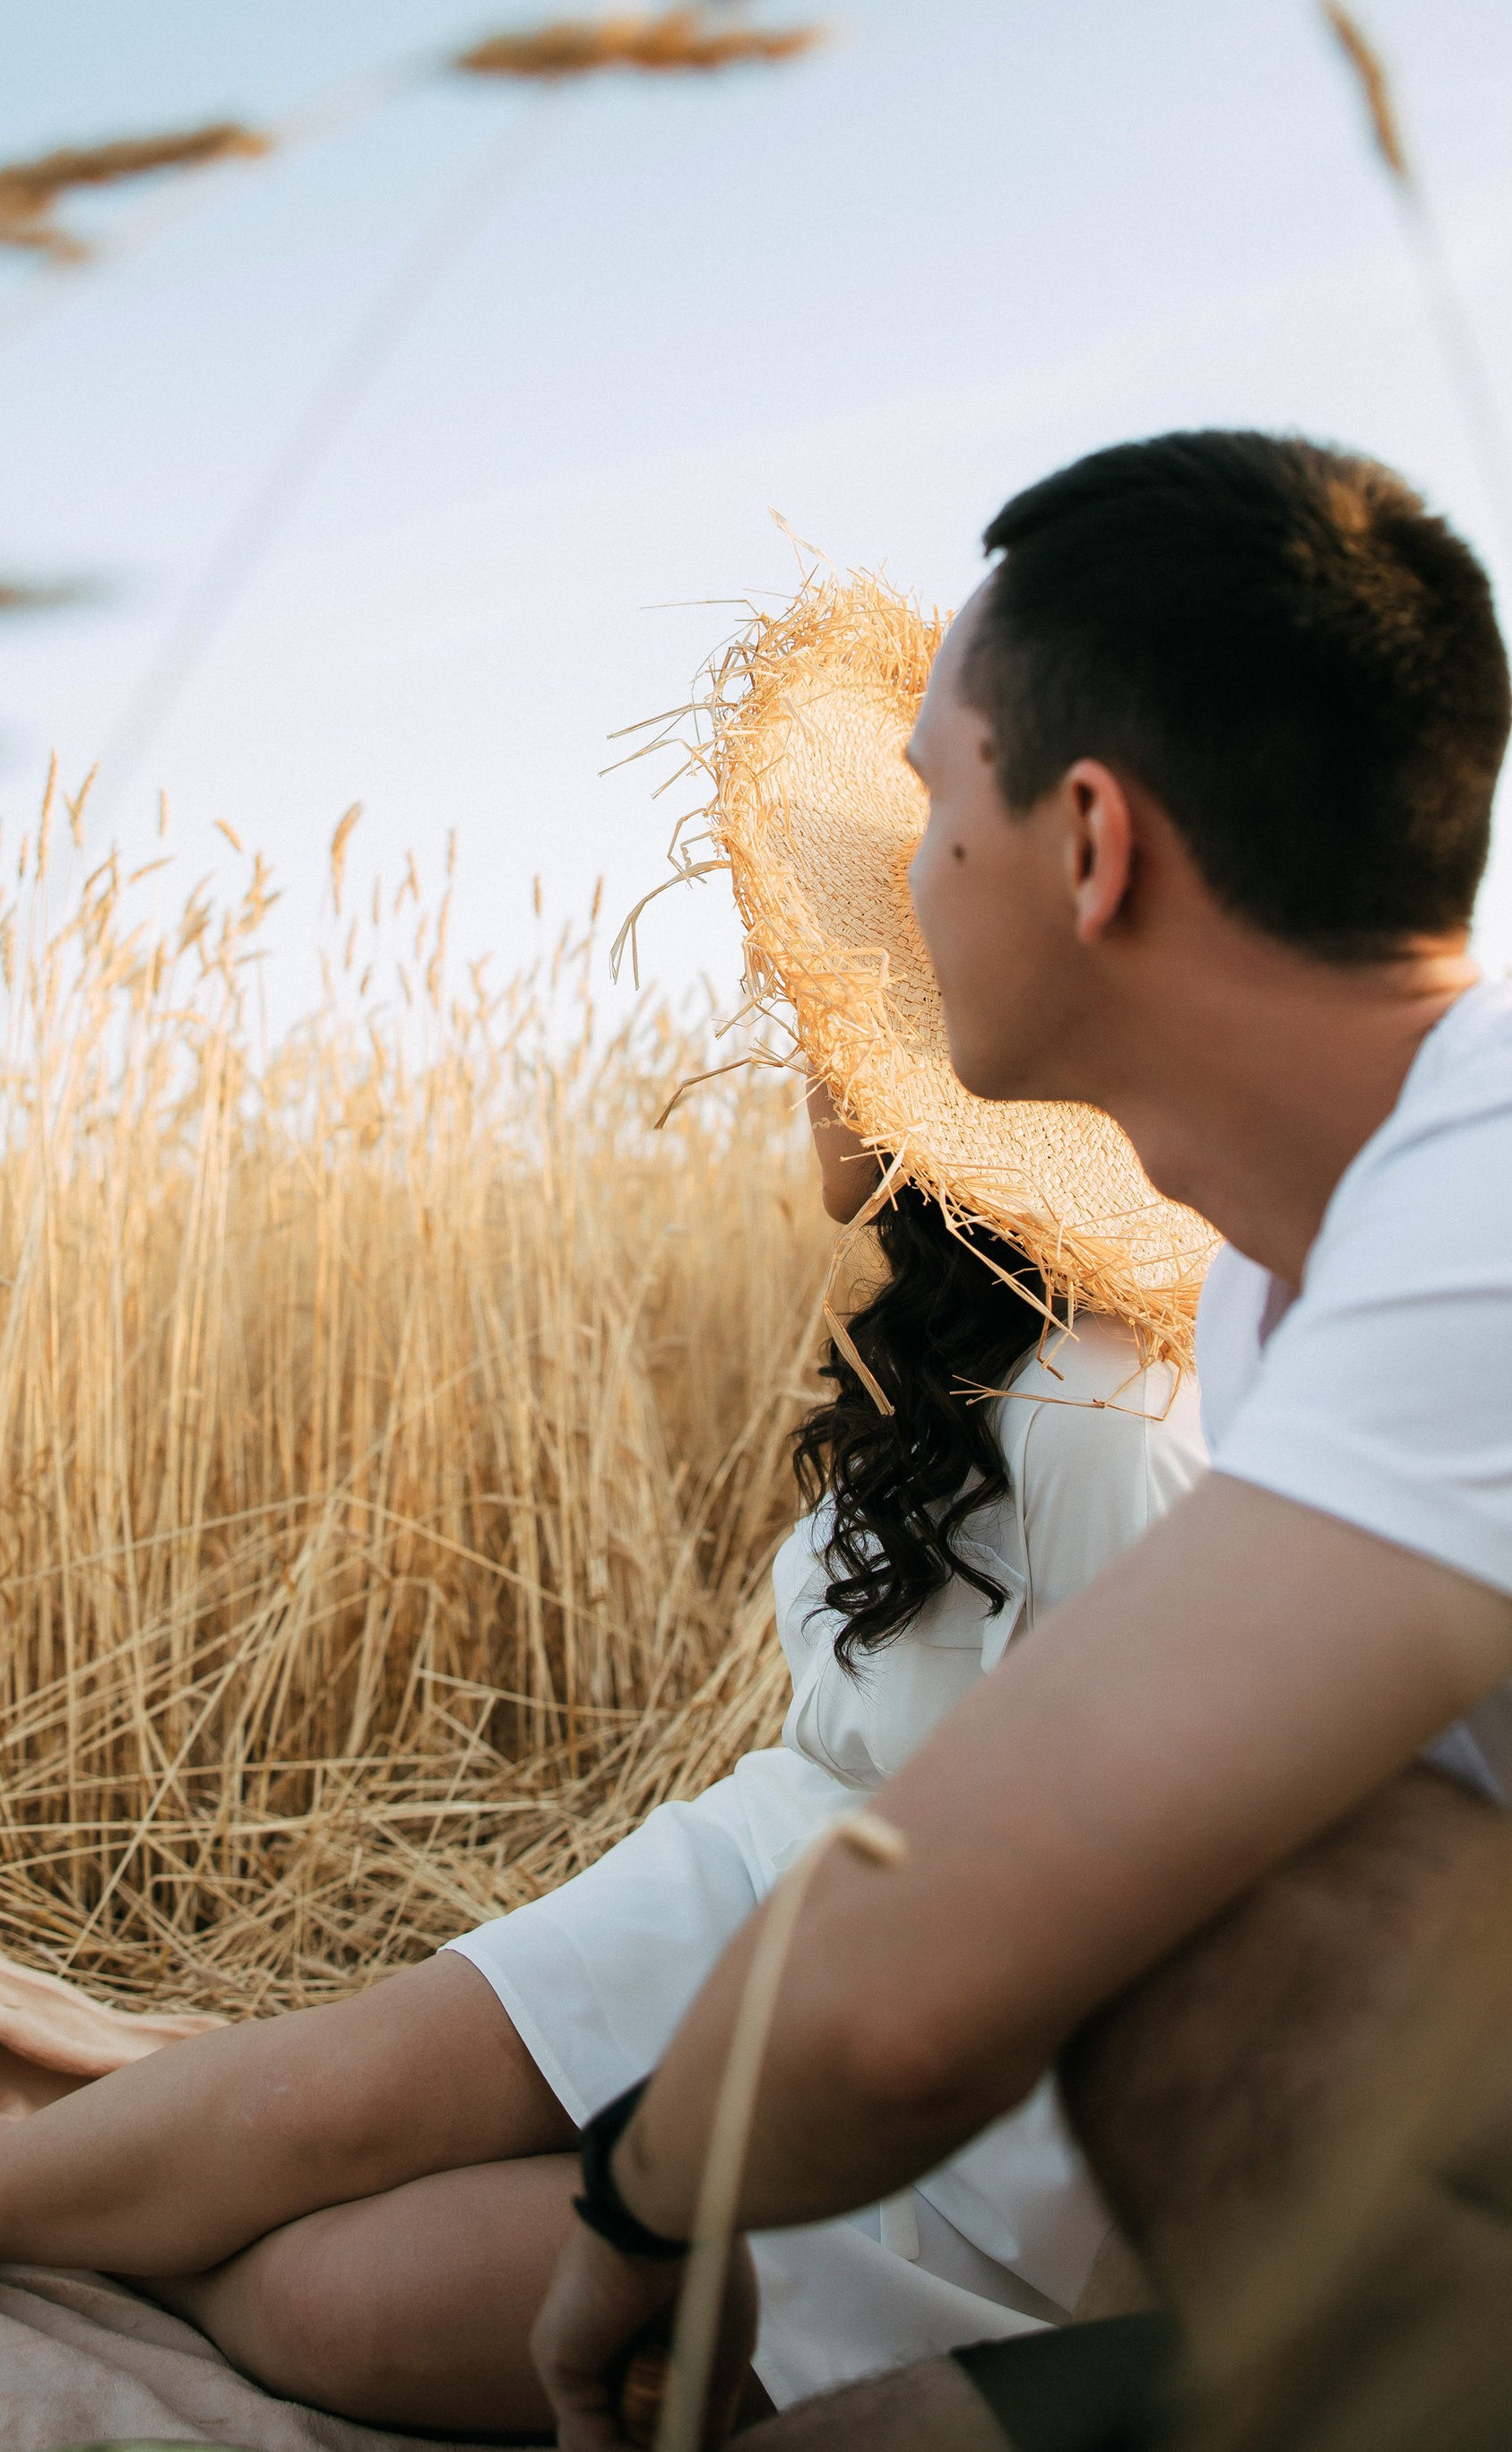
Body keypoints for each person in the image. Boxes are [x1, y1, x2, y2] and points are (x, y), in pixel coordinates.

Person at [0, 559, 1213, 2428]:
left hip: (960, 2129)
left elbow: (1157, 1922)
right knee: (323, 2097)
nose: (801, 1058)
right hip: (775, 1883)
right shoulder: (967, 1358)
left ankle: (84, 2214)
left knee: (329, 2297)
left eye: (851, 1033)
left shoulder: (1113, 1425)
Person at [523, 429, 1512, 2450]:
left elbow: (932, 1960)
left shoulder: (1474, 1226)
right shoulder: (1275, 1287)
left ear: (1088, 846)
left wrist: (637, 2200)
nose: (901, 885)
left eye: (929, 805)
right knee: (1245, 1894)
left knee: (1217, 1915)